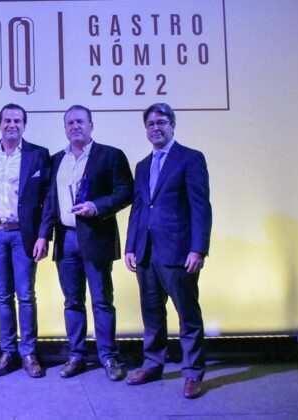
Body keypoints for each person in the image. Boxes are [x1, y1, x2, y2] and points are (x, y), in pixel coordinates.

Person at [124, 103, 212, 399]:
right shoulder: (142, 165)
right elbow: (139, 208)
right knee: (151, 314)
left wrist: (198, 249)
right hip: (146, 253)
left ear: (172, 125)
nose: (156, 128)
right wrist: (131, 246)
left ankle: (193, 373)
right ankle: (152, 364)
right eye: (150, 124)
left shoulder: (190, 158)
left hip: (178, 253)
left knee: (187, 315)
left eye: (161, 122)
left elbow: (201, 207)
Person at [40, 105, 134, 381]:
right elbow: (49, 202)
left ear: (91, 125)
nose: (75, 126)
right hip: (65, 239)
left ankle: (108, 356)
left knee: (102, 301)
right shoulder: (56, 160)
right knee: (72, 302)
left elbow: (126, 192)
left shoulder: (111, 155)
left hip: (96, 237)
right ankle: (76, 355)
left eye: (80, 121)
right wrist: (44, 235)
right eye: (70, 123)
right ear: (64, 128)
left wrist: (98, 206)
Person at [0, 103, 50, 378]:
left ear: (24, 125)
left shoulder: (38, 154)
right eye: (7, 120)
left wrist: (43, 235)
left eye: (17, 120)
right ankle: (7, 352)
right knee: (3, 295)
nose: (12, 125)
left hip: (23, 235)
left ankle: (28, 352)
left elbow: (47, 199)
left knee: (26, 295)